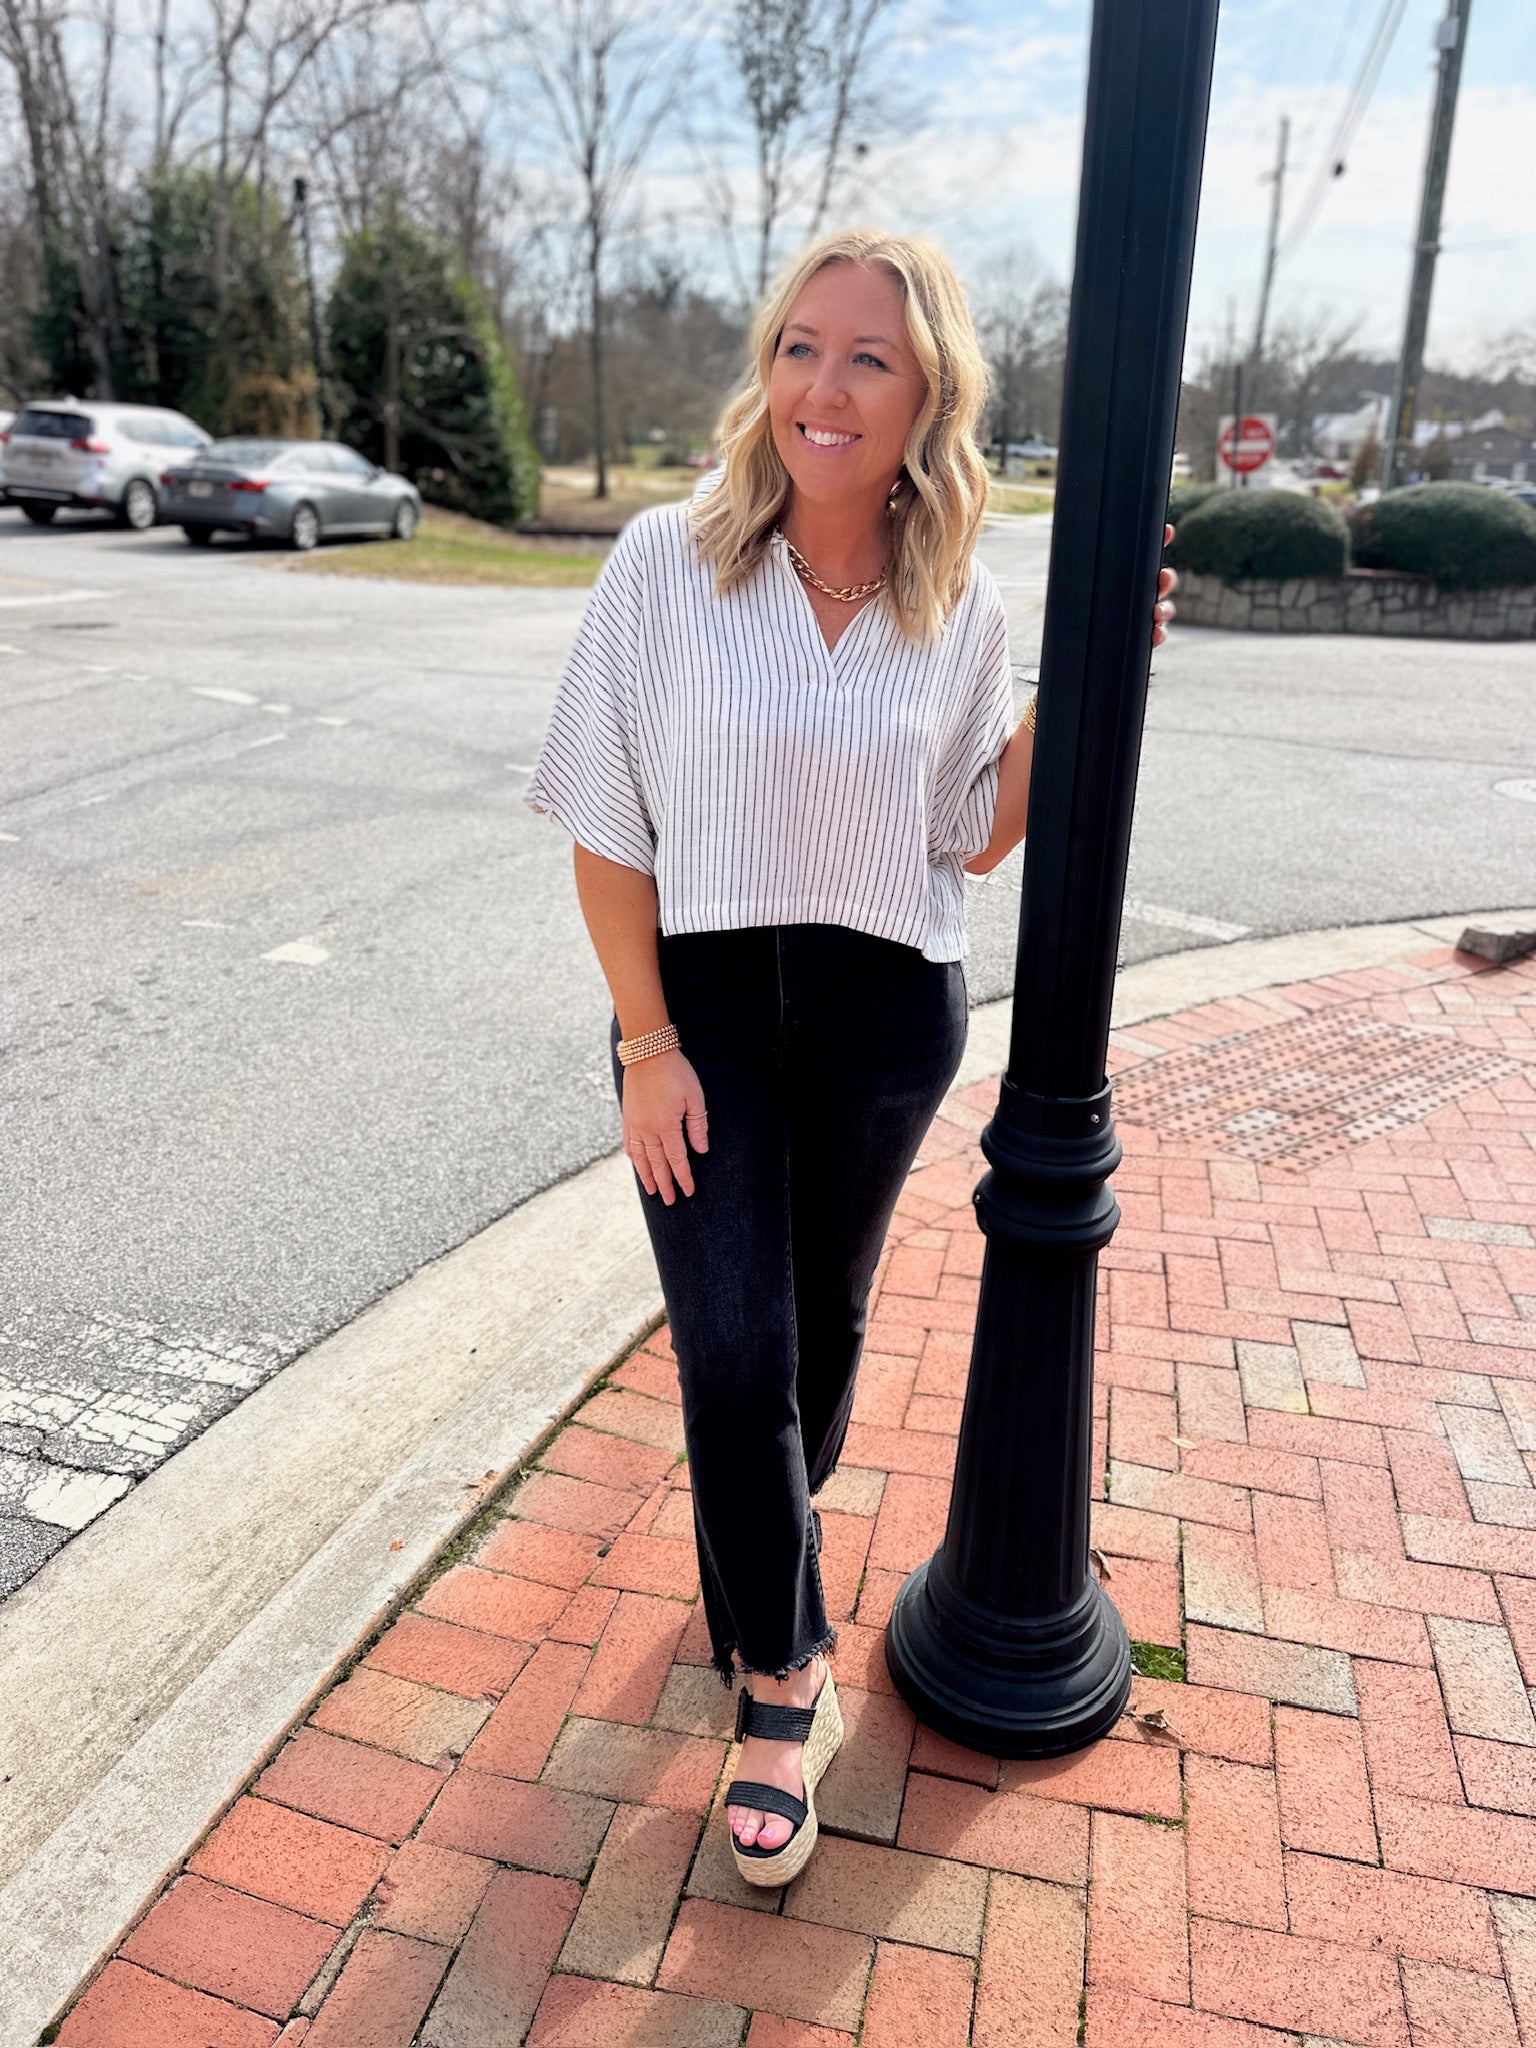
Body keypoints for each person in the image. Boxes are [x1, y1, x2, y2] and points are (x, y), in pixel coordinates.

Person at [524, 225, 1176, 1885]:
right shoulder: (668, 563)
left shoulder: (956, 593)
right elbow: (607, 825)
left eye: (869, 356)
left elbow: (971, 836)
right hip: (706, 1012)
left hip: (891, 1010)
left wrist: (1095, 684)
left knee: (816, 1344)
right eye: (804, 345)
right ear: (771, 365)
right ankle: (780, 1678)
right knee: (732, 1355)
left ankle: (751, 1552)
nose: (826, 384)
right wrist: (646, 1045)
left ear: (927, 391)